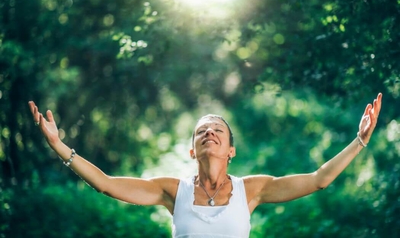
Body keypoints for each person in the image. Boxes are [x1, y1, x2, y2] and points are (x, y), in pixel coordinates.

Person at [28, 93, 382, 238]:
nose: (209, 132)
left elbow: (319, 179)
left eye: (218, 130)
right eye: (202, 130)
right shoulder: (172, 190)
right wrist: (59, 146)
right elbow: (105, 183)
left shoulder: (252, 190)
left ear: (231, 150)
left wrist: (361, 139)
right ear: (192, 150)